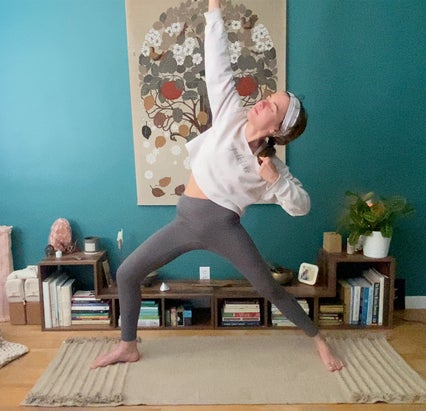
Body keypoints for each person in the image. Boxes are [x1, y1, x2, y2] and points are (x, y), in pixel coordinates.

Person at [91, 0, 344, 372]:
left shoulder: (269, 167)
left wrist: (276, 181)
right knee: (128, 272)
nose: (262, 103)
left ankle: (319, 341)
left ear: (279, 130)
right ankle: (128, 346)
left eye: (273, 107)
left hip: (223, 228)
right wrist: (213, 9)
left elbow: (301, 206)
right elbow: (217, 65)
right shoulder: (230, 113)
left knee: (269, 289)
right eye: (269, 98)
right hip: (185, 221)